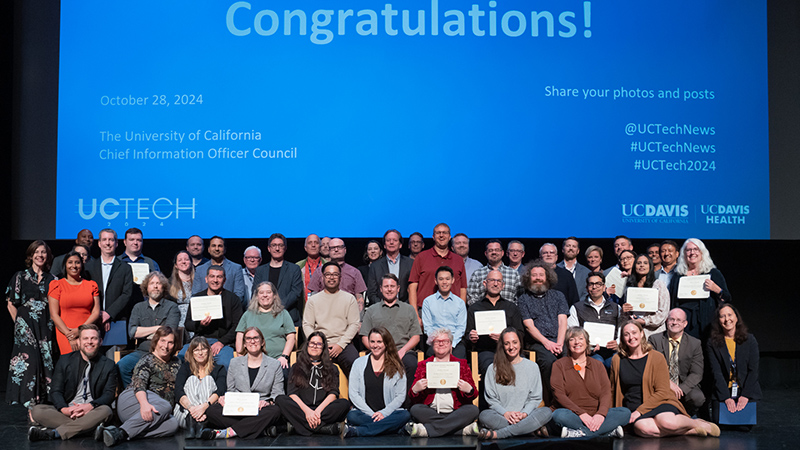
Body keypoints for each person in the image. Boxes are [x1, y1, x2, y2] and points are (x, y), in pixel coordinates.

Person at [609, 321, 719, 438]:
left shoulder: (656, 357)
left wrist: (640, 411)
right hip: (634, 404)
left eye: (634, 332)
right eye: (626, 334)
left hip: (659, 401)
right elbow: (613, 389)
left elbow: (662, 391)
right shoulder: (617, 359)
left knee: (667, 423)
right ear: (622, 338)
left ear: (642, 334)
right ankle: (691, 431)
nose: (631, 337)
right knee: (644, 429)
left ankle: (696, 422)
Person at [28, 324, 117, 441]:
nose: (89, 342)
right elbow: (56, 391)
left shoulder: (109, 364)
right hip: (69, 410)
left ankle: (54, 433)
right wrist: (64, 409)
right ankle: (89, 428)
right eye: (85, 338)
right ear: (79, 342)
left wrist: (90, 406)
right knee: (37, 411)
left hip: (93, 411)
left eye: (93, 338)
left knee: (106, 411)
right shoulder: (65, 360)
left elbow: (109, 394)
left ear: (100, 341)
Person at [100, 326, 181, 446]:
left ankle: (117, 434)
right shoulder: (146, 360)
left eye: (170, 342)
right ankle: (121, 432)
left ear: (174, 345)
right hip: (134, 399)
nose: (166, 345)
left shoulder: (177, 362)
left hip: (155, 413)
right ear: (156, 341)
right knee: (166, 405)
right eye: (162, 341)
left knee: (173, 425)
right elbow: (139, 384)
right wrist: (144, 404)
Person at [201, 327, 284, 439]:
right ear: (244, 344)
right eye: (248, 339)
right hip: (239, 408)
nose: (252, 341)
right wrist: (225, 399)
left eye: (256, 338)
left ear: (262, 341)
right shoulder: (234, 363)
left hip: (260, 409)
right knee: (212, 411)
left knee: (275, 411)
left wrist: (267, 403)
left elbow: (277, 394)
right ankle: (261, 430)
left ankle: (229, 432)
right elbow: (231, 390)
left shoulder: (274, 364)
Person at [550, 327, 629, 438]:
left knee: (625, 413)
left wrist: (600, 415)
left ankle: (580, 433)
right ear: (567, 344)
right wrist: (581, 414)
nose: (577, 342)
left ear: (587, 343)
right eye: (572, 339)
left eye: (580, 338)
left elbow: (606, 392)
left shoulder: (598, 365)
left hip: (596, 413)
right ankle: (606, 432)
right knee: (558, 415)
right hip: (572, 414)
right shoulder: (559, 365)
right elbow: (559, 395)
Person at [6, 240, 56, 409]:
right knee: (30, 362)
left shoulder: (53, 279)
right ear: (31, 255)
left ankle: (43, 399)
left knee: (45, 360)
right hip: (25, 327)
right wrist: (19, 325)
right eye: (37, 252)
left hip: (45, 327)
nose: (40, 255)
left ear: (47, 256)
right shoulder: (20, 276)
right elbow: (11, 303)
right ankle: (28, 400)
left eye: (43, 252)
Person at [478, 327, 552, 440]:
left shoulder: (532, 367)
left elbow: (535, 398)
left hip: (526, 416)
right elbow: (492, 400)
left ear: (520, 343)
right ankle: (529, 430)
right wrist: (506, 413)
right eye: (507, 344)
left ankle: (498, 434)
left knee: (546, 412)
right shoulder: (492, 369)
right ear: (502, 346)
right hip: (502, 417)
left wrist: (524, 414)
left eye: (514, 342)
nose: (511, 347)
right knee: (484, 416)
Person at [406, 328, 479, 438]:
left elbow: (473, 395)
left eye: (445, 341)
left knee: (473, 410)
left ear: (450, 345)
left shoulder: (461, 364)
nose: (441, 344)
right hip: (431, 411)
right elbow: (413, 397)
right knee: (415, 409)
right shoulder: (424, 365)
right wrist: (415, 390)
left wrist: (469, 390)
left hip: (456, 411)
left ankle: (427, 430)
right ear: (432, 344)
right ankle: (461, 430)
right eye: (437, 341)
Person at [275, 332, 351, 435]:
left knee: (344, 404)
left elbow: (333, 394)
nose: (315, 346)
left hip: (322, 410)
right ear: (307, 345)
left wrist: (317, 412)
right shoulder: (296, 367)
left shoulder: (332, 368)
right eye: (312, 343)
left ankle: (297, 427)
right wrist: (308, 412)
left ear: (323, 347)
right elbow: (292, 394)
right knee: (281, 399)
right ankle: (323, 428)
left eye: (319, 344)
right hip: (302, 409)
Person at [341, 327, 410, 437]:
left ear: (386, 343)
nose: (375, 345)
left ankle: (358, 431)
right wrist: (372, 414)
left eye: (379, 342)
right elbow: (353, 394)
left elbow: (400, 396)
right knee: (352, 416)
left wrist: (384, 413)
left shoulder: (396, 365)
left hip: (388, 414)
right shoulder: (358, 363)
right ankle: (394, 429)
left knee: (405, 415)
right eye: (372, 341)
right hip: (365, 414)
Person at [517, 261, 568, 405]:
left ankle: (572, 398)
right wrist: (547, 343)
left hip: (558, 339)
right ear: (528, 278)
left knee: (569, 359)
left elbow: (562, 321)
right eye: (534, 275)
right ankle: (555, 401)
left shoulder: (558, 296)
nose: (538, 278)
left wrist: (559, 343)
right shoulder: (523, 299)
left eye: (541, 275)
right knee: (549, 362)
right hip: (537, 342)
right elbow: (529, 325)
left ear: (548, 277)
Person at [118, 272, 180, 387]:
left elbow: (169, 332)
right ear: (146, 287)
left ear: (163, 287)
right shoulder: (138, 307)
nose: (155, 286)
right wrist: (157, 328)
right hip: (142, 352)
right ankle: (132, 394)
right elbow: (132, 332)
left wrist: (143, 332)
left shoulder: (172, 307)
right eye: (152, 283)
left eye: (158, 283)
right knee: (122, 365)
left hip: (163, 353)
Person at [360, 273, 422, 388]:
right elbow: (364, 336)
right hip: (378, 351)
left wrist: (402, 351)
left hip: (403, 352)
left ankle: (408, 403)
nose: (389, 290)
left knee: (411, 364)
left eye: (392, 286)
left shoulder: (408, 309)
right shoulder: (372, 310)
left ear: (398, 288)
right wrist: (377, 350)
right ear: (381, 289)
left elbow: (416, 336)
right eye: (386, 286)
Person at [302, 262, 361, 376]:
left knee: (354, 363)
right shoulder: (314, 300)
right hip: (319, 343)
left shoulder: (349, 299)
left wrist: (340, 345)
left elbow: (354, 324)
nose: (331, 277)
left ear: (340, 277)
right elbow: (307, 324)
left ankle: (356, 393)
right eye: (328, 274)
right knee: (304, 365)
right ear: (323, 277)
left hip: (343, 343)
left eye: (335, 274)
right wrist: (319, 344)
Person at [707, 304, 761, 424]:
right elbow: (716, 373)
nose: (727, 319)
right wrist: (726, 398)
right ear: (718, 321)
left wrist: (745, 395)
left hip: (746, 390)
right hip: (724, 390)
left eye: (730, 315)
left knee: (744, 425)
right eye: (722, 316)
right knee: (721, 423)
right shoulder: (712, 343)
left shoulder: (750, 340)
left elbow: (753, 371)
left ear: (737, 318)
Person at [181, 265, 244, 369]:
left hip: (223, 342)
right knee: (182, 357)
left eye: (219, 277)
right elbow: (188, 324)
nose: (215, 280)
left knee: (225, 364)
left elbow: (237, 326)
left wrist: (222, 342)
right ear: (206, 279)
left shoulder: (233, 299)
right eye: (212, 276)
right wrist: (200, 324)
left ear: (224, 280)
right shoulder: (197, 298)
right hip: (199, 340)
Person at [668, 238, 731, 339]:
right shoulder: (678, 275)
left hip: (707, 322)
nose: (692, 253)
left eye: (696, 249)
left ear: (702, 252)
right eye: (688, 250)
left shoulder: (713, 273)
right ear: (684, 254)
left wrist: (716, 289)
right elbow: (672, 301)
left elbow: (727, 298)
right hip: (683, 322)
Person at [466, 270, 524, 377]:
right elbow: (467, 335)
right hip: (486, 351)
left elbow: (520, 332)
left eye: (498, 281)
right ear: (485, 283)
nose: (495, 284)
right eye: (492, 280)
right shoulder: (474, 308)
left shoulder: (511, 307)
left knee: (523, 366)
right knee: (490, 368)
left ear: (503, 285)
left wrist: (504, 338)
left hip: (510, 350)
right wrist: (471, 337)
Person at [648, 309, 705, 416]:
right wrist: (668, 383)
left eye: (679, 320)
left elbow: (696, 373)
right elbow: (651, 367)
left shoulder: (694, 343)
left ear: (685, 323)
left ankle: (687, 415)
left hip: (683, 385)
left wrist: (681, 390)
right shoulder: (654, 340)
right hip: (661, 383)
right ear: (666, 321)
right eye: (672, 319)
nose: (675, 323)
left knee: (697, 397)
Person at [408, 223, 467, 318]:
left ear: (449, 236)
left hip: (452, 312)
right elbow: (412, 287)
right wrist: (415, 315)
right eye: (438, 233)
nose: (441, 235)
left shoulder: (458, 260)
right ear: (433, 237)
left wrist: (461, 313)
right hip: (426, 312)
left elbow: (463, 289)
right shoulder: (421, 257)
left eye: (445, 233)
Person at [235, 281, 296, 372]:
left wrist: (284, 356)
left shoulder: (283, 313)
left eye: (268, 292)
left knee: (285, 375)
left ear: (274, 295)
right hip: (252, 361)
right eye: (261, 293)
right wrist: (241, 357)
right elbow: (240, 336)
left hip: (278, 361)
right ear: (256, 296)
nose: (265, 295)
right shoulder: (248, 314)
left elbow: (291, 337)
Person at [49, 251, 101, 355]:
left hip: (87, 332)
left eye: (77, 262)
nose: (74, 266)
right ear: (65, 265)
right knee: (70, 362)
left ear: (82, 265)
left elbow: (96, 312)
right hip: (65, 333)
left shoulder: (91, 285)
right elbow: (54, 315)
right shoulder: (57, 285)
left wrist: (81, 330)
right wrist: (69, 335)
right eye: (70, 262)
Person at [173, 337, 226, 438]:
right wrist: (193, 410)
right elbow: (178, 391)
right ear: (192, 353)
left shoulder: (219, 369)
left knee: (207, 380)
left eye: (203, 349)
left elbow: (221, 390)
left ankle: (199, 424)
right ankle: (193, 421)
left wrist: (203, 408)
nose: (200, 353)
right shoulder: (185, 368)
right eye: (196, 350)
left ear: (209, 351)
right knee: (193, 379)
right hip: (185, 414)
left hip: (208, 415)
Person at [85, 228, 133, 337]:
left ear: (116, 243)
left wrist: (109, 314)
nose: (107, 243)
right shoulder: (89, 267)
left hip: (116, 321)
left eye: (111, 240)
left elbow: (126, 294)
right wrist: (98, 314)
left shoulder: (125, 268)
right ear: (99, 243)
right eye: (104, 239)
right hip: (92, 321)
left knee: (114, 354)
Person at [567, 272, 621, 367]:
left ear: (604, 287)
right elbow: (573, 332)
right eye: (591, 284)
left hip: (611, 350)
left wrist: (617, 342)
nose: (594, 287)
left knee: (616, 362)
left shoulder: (616, 307)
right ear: (587, 288)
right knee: (597, 363)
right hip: (588, 352)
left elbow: (622, 327)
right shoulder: (576, 308)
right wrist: (587, 346)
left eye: (598, 284)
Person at [252, 233, 304, 324]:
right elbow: (255, 291)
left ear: (285, 248)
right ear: (269, 248)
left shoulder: (294, 269)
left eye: (280, 245)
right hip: (264, 318)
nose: (277, 248)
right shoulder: (260, 270)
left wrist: (277, 308)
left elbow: (295, 293)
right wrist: (267, 309)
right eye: (274, 245)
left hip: (288, 317)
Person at [420, 266, 468, 360]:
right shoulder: (428, 302)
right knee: (430, 354)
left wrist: (451, 345)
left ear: (452, 280)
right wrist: (438, 343)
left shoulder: (460, 303)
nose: (444, 282)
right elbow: (428, 327)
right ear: (436, 281)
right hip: (435, 341)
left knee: (459, 356)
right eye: (441, 279)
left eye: (447, 279)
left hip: (455, 341)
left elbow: (461, 328)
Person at [308, 238, 367, 310]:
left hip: (348, 314)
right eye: (333, 248)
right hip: (324, 314)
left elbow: (359, 298)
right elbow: (314, 297)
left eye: (339, 247)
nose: (336, 250)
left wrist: (359, 319)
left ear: (345, 250)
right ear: (329, 251)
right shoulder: (319, 271)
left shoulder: (355, 272)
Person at [622, 254, 670, 339]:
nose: (641, 265)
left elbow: (663, 313)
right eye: (639, 263)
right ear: (634, 266)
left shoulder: (659, 284)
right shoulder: (629, 287)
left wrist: (644, 321)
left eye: (645, 263)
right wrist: (625, 311)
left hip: (654, 334)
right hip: (634, 333)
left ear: (650, 266)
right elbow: (627, 314)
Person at [466, 239, 522, 305]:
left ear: (502, 253)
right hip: (484, 313)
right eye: (490, 250)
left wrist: (511, 311)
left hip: (509, 314)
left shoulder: (514, 274)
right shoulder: (477, 274)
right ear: (486, 253)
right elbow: (471, 298)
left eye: (497, 250)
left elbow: (520, 298)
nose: (494, 252)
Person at [193, 236, 247, 303]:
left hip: (228, 309)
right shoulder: (199, 270)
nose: (217, 249)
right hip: (206, 310)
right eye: (213, 246)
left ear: (225, 249)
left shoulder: (236, 268)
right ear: (208, 249)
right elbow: (195, 295)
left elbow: (239, 294)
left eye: (220, 246)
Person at [366, 229, 413, 304]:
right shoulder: (375, 266)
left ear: (400, 245)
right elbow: (372, 293)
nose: (391, 242)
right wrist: (384, 306)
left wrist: (404, 306)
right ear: (384, 245)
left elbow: (414, 290)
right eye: (388, 240)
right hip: (381, 310)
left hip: (404, 309)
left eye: (395, 240)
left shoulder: (410, 264)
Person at [168, 250, 195, 334]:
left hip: (195, 320)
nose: (183, 262)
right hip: (177, 322)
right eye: (180, 260)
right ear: (176, 265)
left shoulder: (199, 281)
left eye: (186, 259)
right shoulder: (169, 283)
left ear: (191, 262)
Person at [297, 234, 326, 302]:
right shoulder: (297, 266)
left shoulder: (328, 265)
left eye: (316, 243)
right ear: (305, 248)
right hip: (304, 307)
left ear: (320, 247)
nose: (313, 245)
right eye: (310, 243)